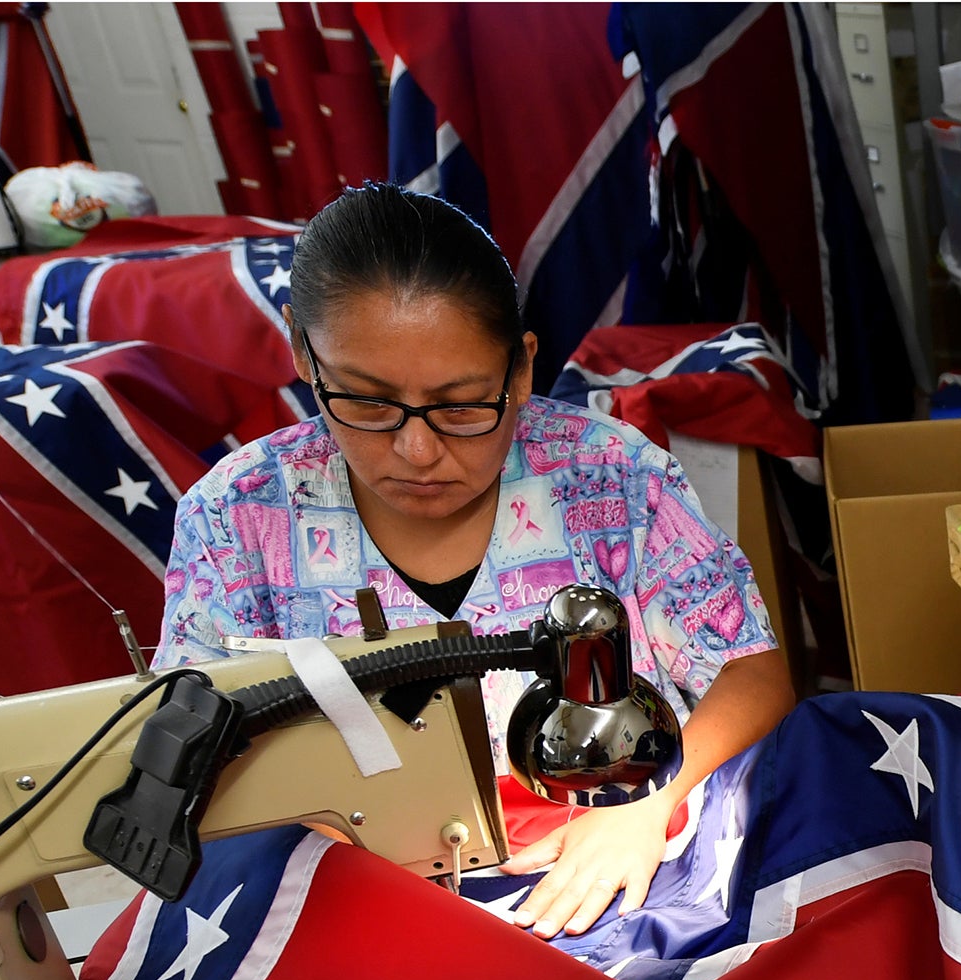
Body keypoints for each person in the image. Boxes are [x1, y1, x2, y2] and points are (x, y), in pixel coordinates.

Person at [153, 184, 795, 939]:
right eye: (365, 402)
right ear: (303, 351)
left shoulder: (615, 477)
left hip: (614, 850)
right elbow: (194, 745)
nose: (417, 452)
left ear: (520, 370)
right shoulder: (237, 516)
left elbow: (750, 674)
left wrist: (645, 809)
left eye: (462, 407)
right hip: (357, 892)